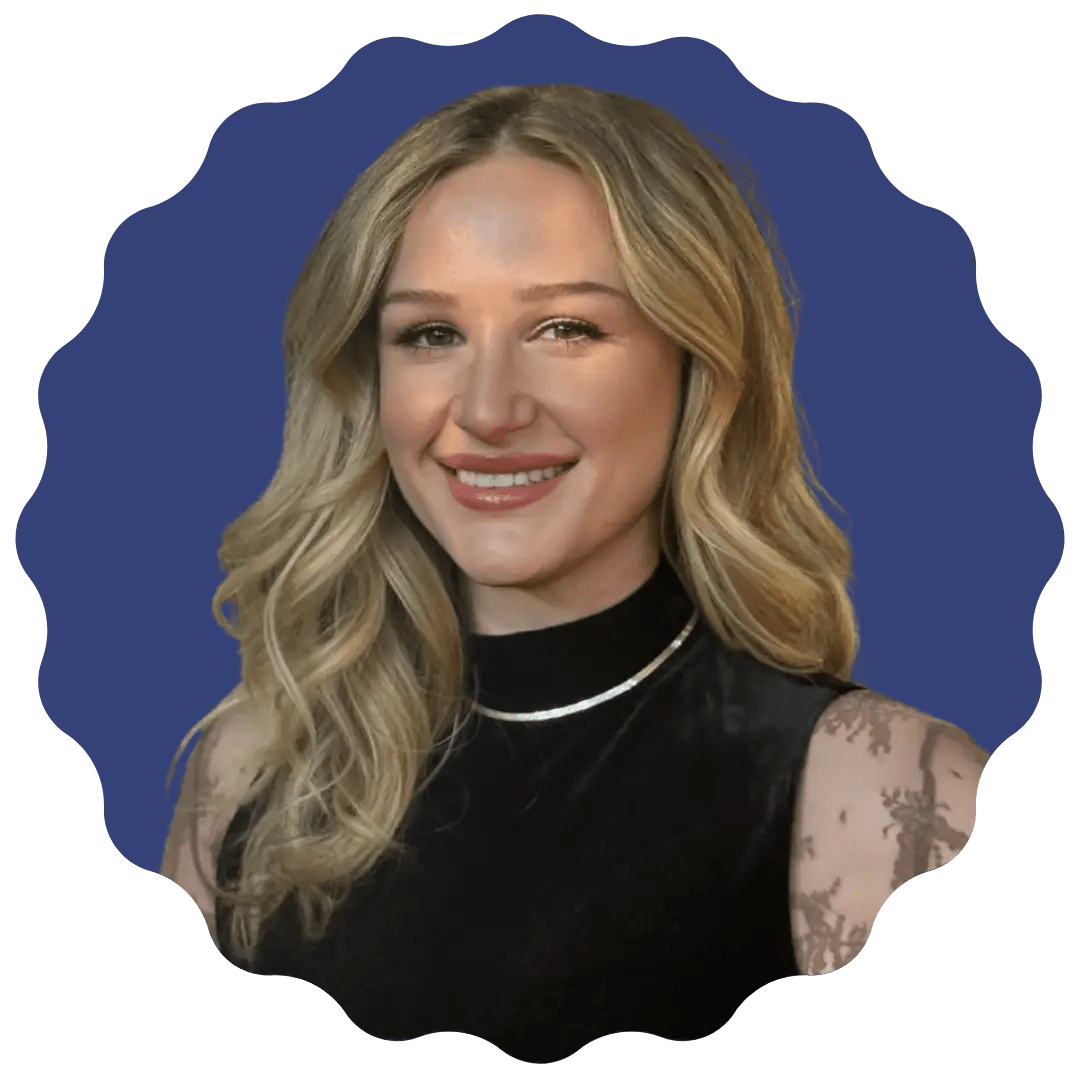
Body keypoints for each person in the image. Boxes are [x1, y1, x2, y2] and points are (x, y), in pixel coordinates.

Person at [161, 84, 988, 1064]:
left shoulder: (882, 792)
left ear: (699, 366)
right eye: (431, 334)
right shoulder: (252, 768)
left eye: (566, 329)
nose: (488, 409)